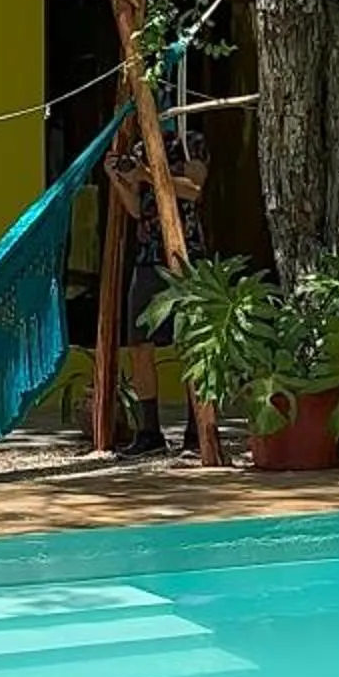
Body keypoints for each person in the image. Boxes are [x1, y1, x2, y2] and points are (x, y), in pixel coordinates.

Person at [108, 114, 209, 455]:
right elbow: (139, 209)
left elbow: (193, 190)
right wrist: (119, 180)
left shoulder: (190, 142)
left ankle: (197, 429)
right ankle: (149, 431)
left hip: (186, 255)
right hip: (148, 255)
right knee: (139, 343)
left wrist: (146, 174)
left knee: (191, 342)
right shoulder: (140, 150)